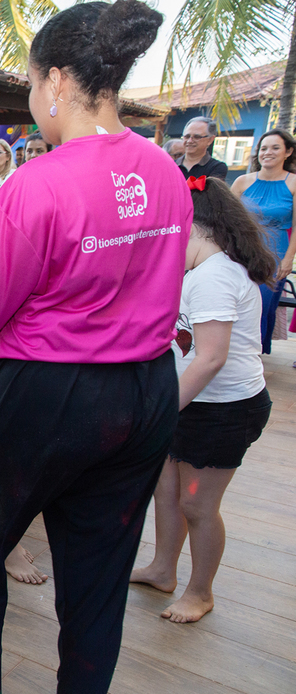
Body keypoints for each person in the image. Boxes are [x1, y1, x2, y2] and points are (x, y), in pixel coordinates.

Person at [0, 3, 191, 694]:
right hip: (142, 397)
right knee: (97, 586)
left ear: (59, 82)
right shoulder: (166, 171)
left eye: (35, 82)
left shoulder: (37, 184)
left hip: (43, 397)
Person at [131, 175, 274, 622]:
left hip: (224, 410)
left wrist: (159, 411)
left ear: (193, 224)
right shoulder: (201, 272)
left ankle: (201, 591)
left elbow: (210, 359)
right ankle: (162, 569)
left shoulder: (214, 277)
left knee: (197, 503)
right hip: (193, 403)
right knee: (167, 490)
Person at [231, 128, 296, 353]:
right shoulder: (241, 181)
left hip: (274, 254)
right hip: (241, 253)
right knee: (235, 304)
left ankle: (254, 354)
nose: (268, 152)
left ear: (288, 152)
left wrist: (288, 259)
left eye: (275, 148)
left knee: (262, 306)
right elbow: (226, 219)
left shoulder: (294, 183)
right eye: (264, 148)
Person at [177, 116, 228, 181]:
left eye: (197, 137)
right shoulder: (171, 165)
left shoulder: (216, 167)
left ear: (210, 140)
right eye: (187, 136)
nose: (189, 141)